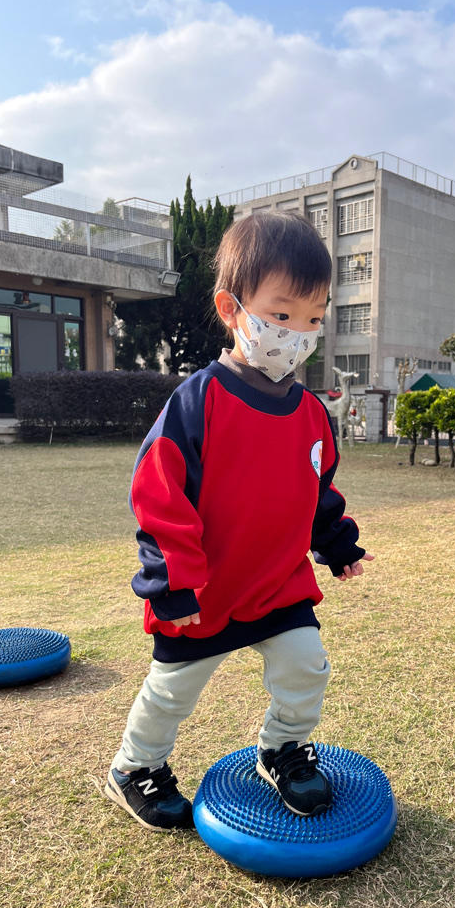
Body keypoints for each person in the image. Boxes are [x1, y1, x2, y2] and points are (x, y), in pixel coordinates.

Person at [104, 211, 374, 832]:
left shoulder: (311, 413)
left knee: (306, 664)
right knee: (173, 689)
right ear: (232, 309)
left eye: (313, 319)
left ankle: (283, 748)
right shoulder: (198, 401)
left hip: (277, 584)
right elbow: (158, 493)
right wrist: (172, 583)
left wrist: (337, 543)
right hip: (204, 592)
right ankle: (135, 768)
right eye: (281, 315)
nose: (298, 333)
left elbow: (316, 490)